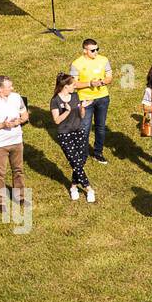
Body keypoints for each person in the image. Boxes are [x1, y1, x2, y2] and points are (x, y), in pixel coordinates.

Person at [0, 75, 29, 206]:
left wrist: (19, 120)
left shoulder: (16, 97)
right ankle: (0, 202)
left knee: (18, 170)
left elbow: (25, 115)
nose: (12, 88)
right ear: (0, 89)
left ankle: (20, 197)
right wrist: (3, 125)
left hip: (17, 140)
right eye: (9, 87)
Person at [50, 73, 94, 202]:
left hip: (79, 131)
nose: (75, 86)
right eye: (73, 84)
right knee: (75, 161)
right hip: (65, 134)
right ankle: (89, 189)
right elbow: (57, 120)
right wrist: (67, 111)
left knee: (81, 159)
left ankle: (73, 186)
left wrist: (83, 108)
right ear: (65, 86)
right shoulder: (55, 101)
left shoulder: (75, 96)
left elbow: (81, 115)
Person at [68, 38, 111, 163]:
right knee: (85, 128)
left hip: (103, 98)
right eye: (93, 50)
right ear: (85, 50)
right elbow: (74, 84)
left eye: (97, 49)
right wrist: (90, 83)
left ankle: (98, 153)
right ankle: (83, 155)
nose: (96, 52)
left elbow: (109, 77)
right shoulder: (77, 64)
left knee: (101, 127)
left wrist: (102, 82)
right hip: (86, 101)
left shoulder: (104, 60)